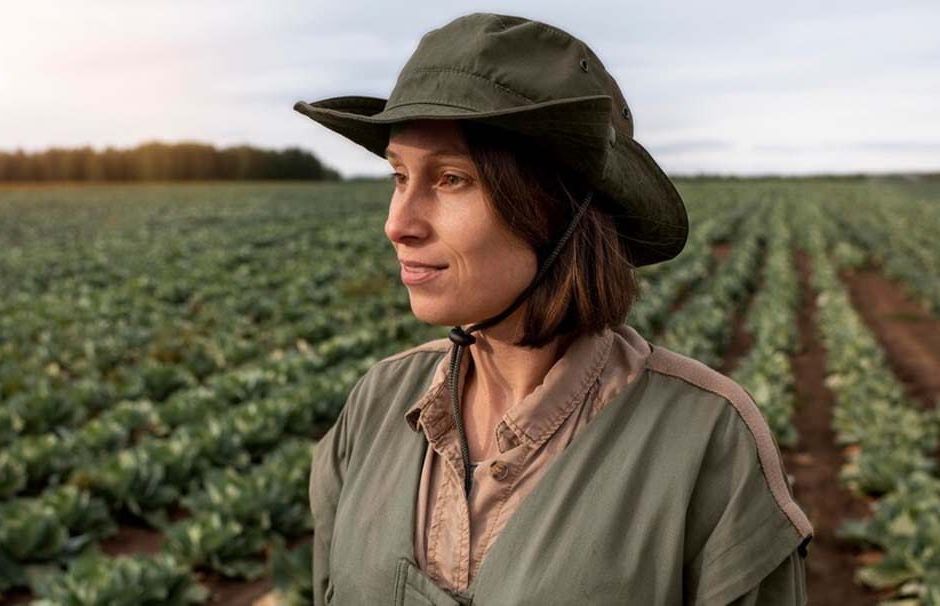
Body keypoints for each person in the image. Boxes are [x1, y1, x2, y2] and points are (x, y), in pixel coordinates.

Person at [293, 12, 812, 606]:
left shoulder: (708, 440)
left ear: (555, 208)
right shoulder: (376, 403)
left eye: (451, 179)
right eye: (399, 175)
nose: (398, 224)